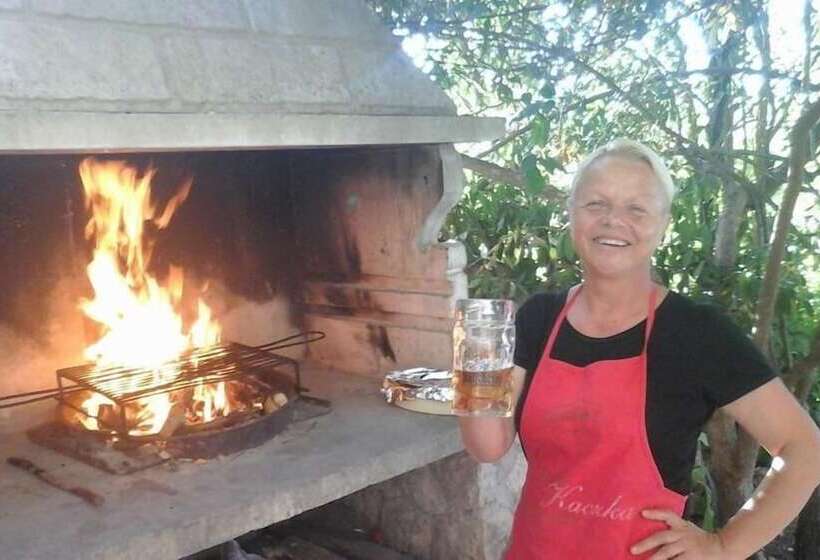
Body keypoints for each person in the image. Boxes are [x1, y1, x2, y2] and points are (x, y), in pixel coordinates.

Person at [457, 139, 820, 559]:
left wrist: (723, 546)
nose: (614, 220)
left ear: (663, 224)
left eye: (636, 209)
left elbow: (805, 449)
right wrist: (473, 355)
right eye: (596, 203)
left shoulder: (696, 333)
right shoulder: (539, 318)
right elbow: (487, 446)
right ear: (571, 213)